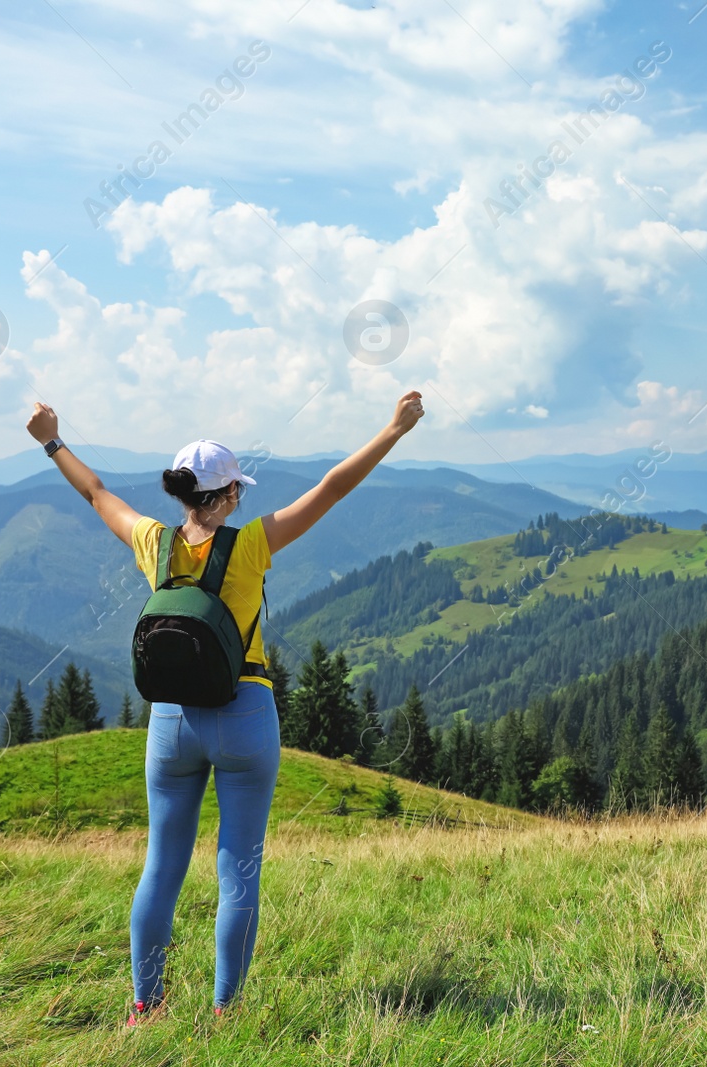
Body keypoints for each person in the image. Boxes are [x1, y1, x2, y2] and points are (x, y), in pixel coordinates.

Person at [23, 391, 426, 1023]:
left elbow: (96, 493)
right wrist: (394, 430)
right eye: (237, 489)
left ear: (183, 496)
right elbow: (331, 489)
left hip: (172, 722)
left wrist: (51, 439)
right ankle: (224, 1013)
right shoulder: (252, 545)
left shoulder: (154, 543)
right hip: (244, 713)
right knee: (238, 868)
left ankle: (144, 1006)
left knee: (162, 866)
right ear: (230, 494)